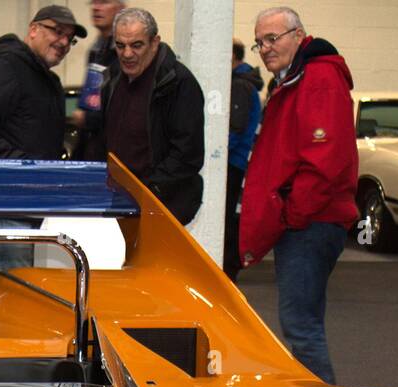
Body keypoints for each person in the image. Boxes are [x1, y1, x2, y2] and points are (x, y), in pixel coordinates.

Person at [239, 7, 357, 385]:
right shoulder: (293, 79)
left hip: (311, 224)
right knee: (303, 324)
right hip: (308, 221)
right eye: (260, 42)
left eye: (273, 38)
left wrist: (293, 213)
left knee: (301, 327)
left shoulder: (318, 77)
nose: (266, 48)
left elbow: (326, 159)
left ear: (298, 34)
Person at [95, 8, 204, 225]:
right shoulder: (113, 79)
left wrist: (147, 191)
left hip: (161, 206)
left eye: (136, 45)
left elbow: (187, 155)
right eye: (120, 45)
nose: (127, 54)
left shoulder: (177, 83)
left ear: (154, 42)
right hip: (119, 204)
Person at [0, 6, 85, 160]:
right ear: (34, 30)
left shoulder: (52, 82)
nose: (64, 43)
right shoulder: (8, 66)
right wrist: (20, 165)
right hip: (9, 181)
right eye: (58, 32)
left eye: (70, 38)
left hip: (38, 180)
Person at [224, 41, 264, 280]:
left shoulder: (239, 86)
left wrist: (214, 160)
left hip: (234, 164)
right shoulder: (244, 83)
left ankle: (229, 270)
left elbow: (234, 130)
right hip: (238, 162)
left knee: (229, 220)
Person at [70, 0, 124, 159]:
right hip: (91, 145)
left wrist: (87, 118)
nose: (96, 8)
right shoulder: (96, 50)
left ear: (120, 8)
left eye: (104, 2)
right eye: (94, 3)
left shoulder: (124, 53)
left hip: (114, 150)